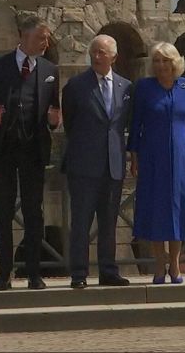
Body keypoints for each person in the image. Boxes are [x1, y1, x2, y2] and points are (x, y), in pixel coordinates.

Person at [0, 15, 61, 291]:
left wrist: (54, 119)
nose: (46, 43)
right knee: (3, 212)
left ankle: (34, 274)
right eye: (41, 38)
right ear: (24, 36)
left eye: (47, 39)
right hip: (3, 149)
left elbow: (54, 109)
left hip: (34, 149)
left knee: (35, 212)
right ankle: (5, 274)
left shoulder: (50, 69)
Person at [127, 42, 185, 284]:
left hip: (181, 153)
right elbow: (136, 124)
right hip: (152, 153)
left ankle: (176, 264)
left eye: (165, 60)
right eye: (157, 61)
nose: (161, 65)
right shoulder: (144, 87)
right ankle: (159, 263)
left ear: (175, 62)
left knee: (178, 207)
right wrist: (134, 156)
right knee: (156, 207)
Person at [62, 34, 133, 289]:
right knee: (80, 221)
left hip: (113, 165)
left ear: (113, 56)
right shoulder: (76, 86)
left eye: (102, 52)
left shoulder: (126, 87)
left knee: (108, 222)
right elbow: (69, 123)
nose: (97, 56)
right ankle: (79, 273)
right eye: (94, 51)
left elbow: (123, 124)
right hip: (83, 164)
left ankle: (108, 271)